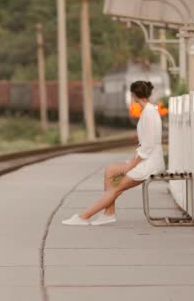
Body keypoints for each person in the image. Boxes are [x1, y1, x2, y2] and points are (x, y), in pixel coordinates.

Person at [62, 80, 165, 226]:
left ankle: (83, 217)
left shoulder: (148, 113)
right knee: (110, 170)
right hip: (146, 159)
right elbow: (145, 145)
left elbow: (147, 147)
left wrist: (130, 166)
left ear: (134, 96)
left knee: (116, 188)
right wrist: (132, 162)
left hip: (149, 164)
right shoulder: (150, 110)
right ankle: (108, 213)